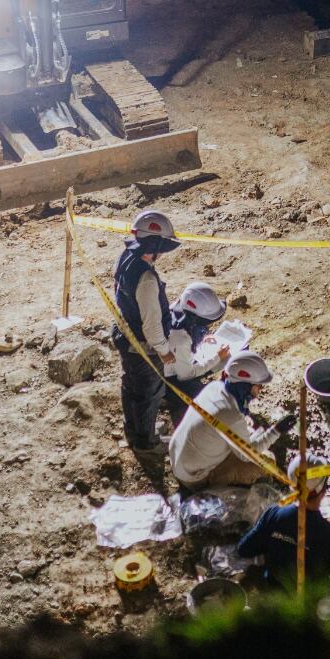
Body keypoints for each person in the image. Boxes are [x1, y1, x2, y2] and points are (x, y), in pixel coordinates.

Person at [111, 210, 184, 475]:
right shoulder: (147, 280)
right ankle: (146, 442)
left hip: (125, 336)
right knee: (148, 394)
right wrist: (164, 352)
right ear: (154, 247)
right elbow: (152, 326)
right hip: (143, 347)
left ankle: (133, 429)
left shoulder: (126, 258)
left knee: (130, 386)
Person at [169, 350, 293, 490]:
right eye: (259, 386)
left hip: (180, 460)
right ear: (247, 387)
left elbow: (228, 419)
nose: (260, 391)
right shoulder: (230, 415)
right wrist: (276, 430)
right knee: (266, 461)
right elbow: (248, 456)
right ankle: (216, 488)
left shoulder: (214, 387)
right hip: (195, 477)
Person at [237, 456, 330, 591]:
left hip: (272, 596)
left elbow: (244, 549)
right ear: (323, 490)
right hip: (309, 606)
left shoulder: (273, 514)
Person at [155, 281, 231, 420]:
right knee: (208, 399)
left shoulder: (179, 310)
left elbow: (189, 335)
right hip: (170, 379)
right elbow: (186, 375)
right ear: (198, 318)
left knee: (227, 357)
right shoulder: (180, 338)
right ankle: (168, 399)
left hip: (181, 362)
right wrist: (216, 357)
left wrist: (203, 337)